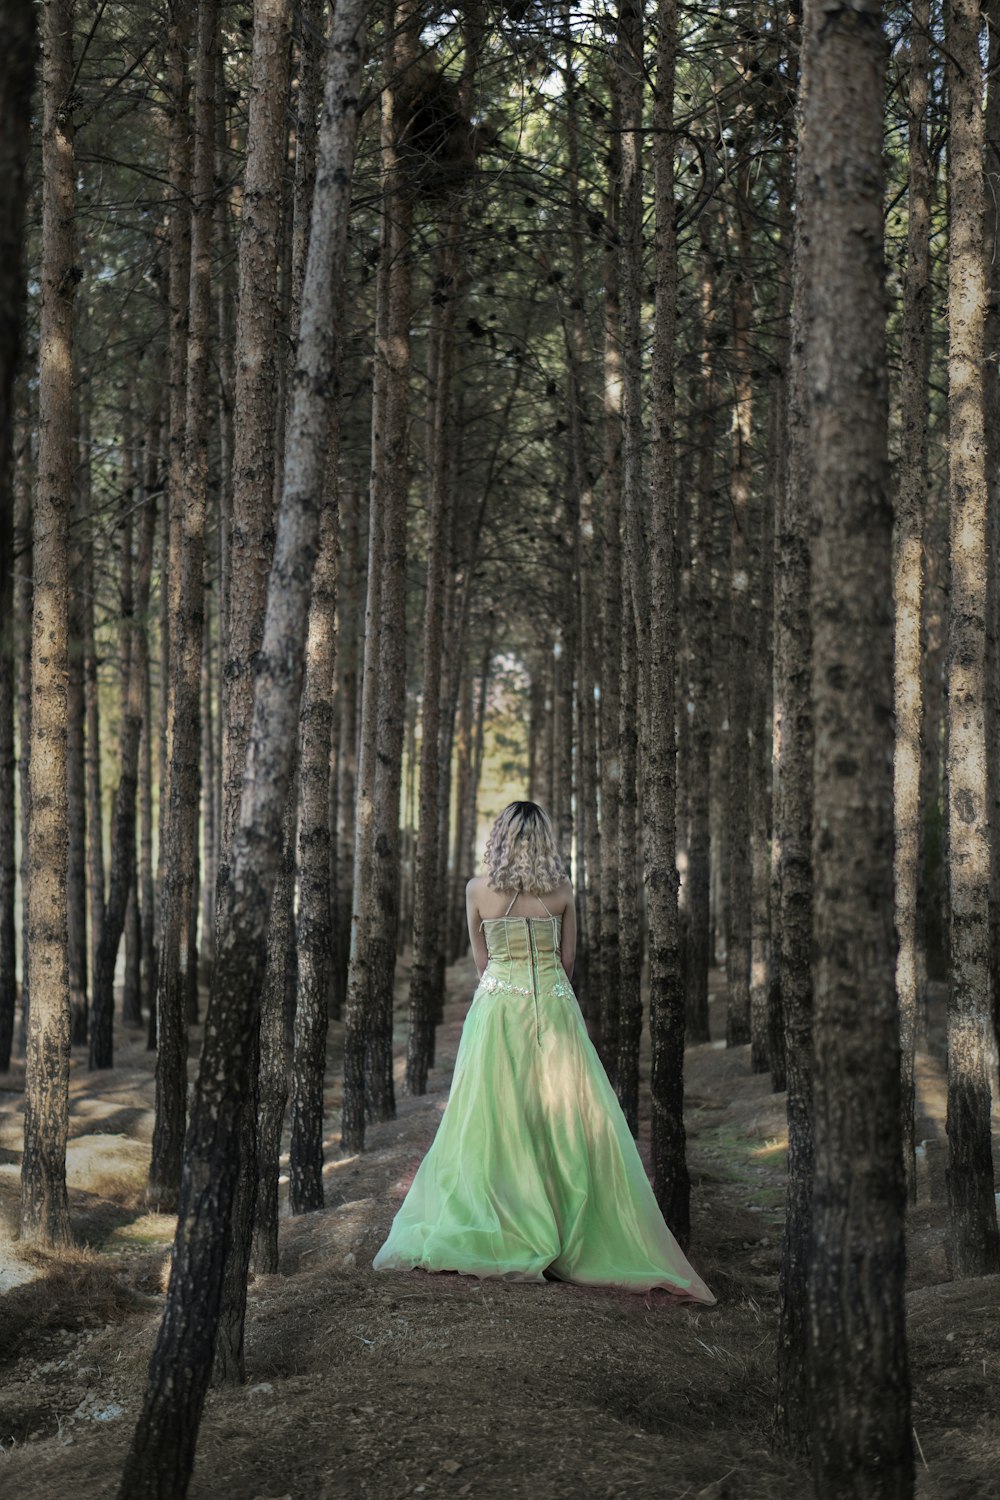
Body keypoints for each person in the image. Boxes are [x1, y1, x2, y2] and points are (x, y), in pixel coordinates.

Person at [372, 800, 715, 1303]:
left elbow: (482, 959)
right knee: (560, 1118)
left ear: (502, 838)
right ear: (546, 841)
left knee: (494, 1117)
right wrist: (547, 995)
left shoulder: (476, 891)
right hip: (553, 1010)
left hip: (496, 1013)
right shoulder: (561, 893)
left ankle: (501, 1219)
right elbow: (567, 958)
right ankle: (563, 1224)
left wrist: (507, 986)